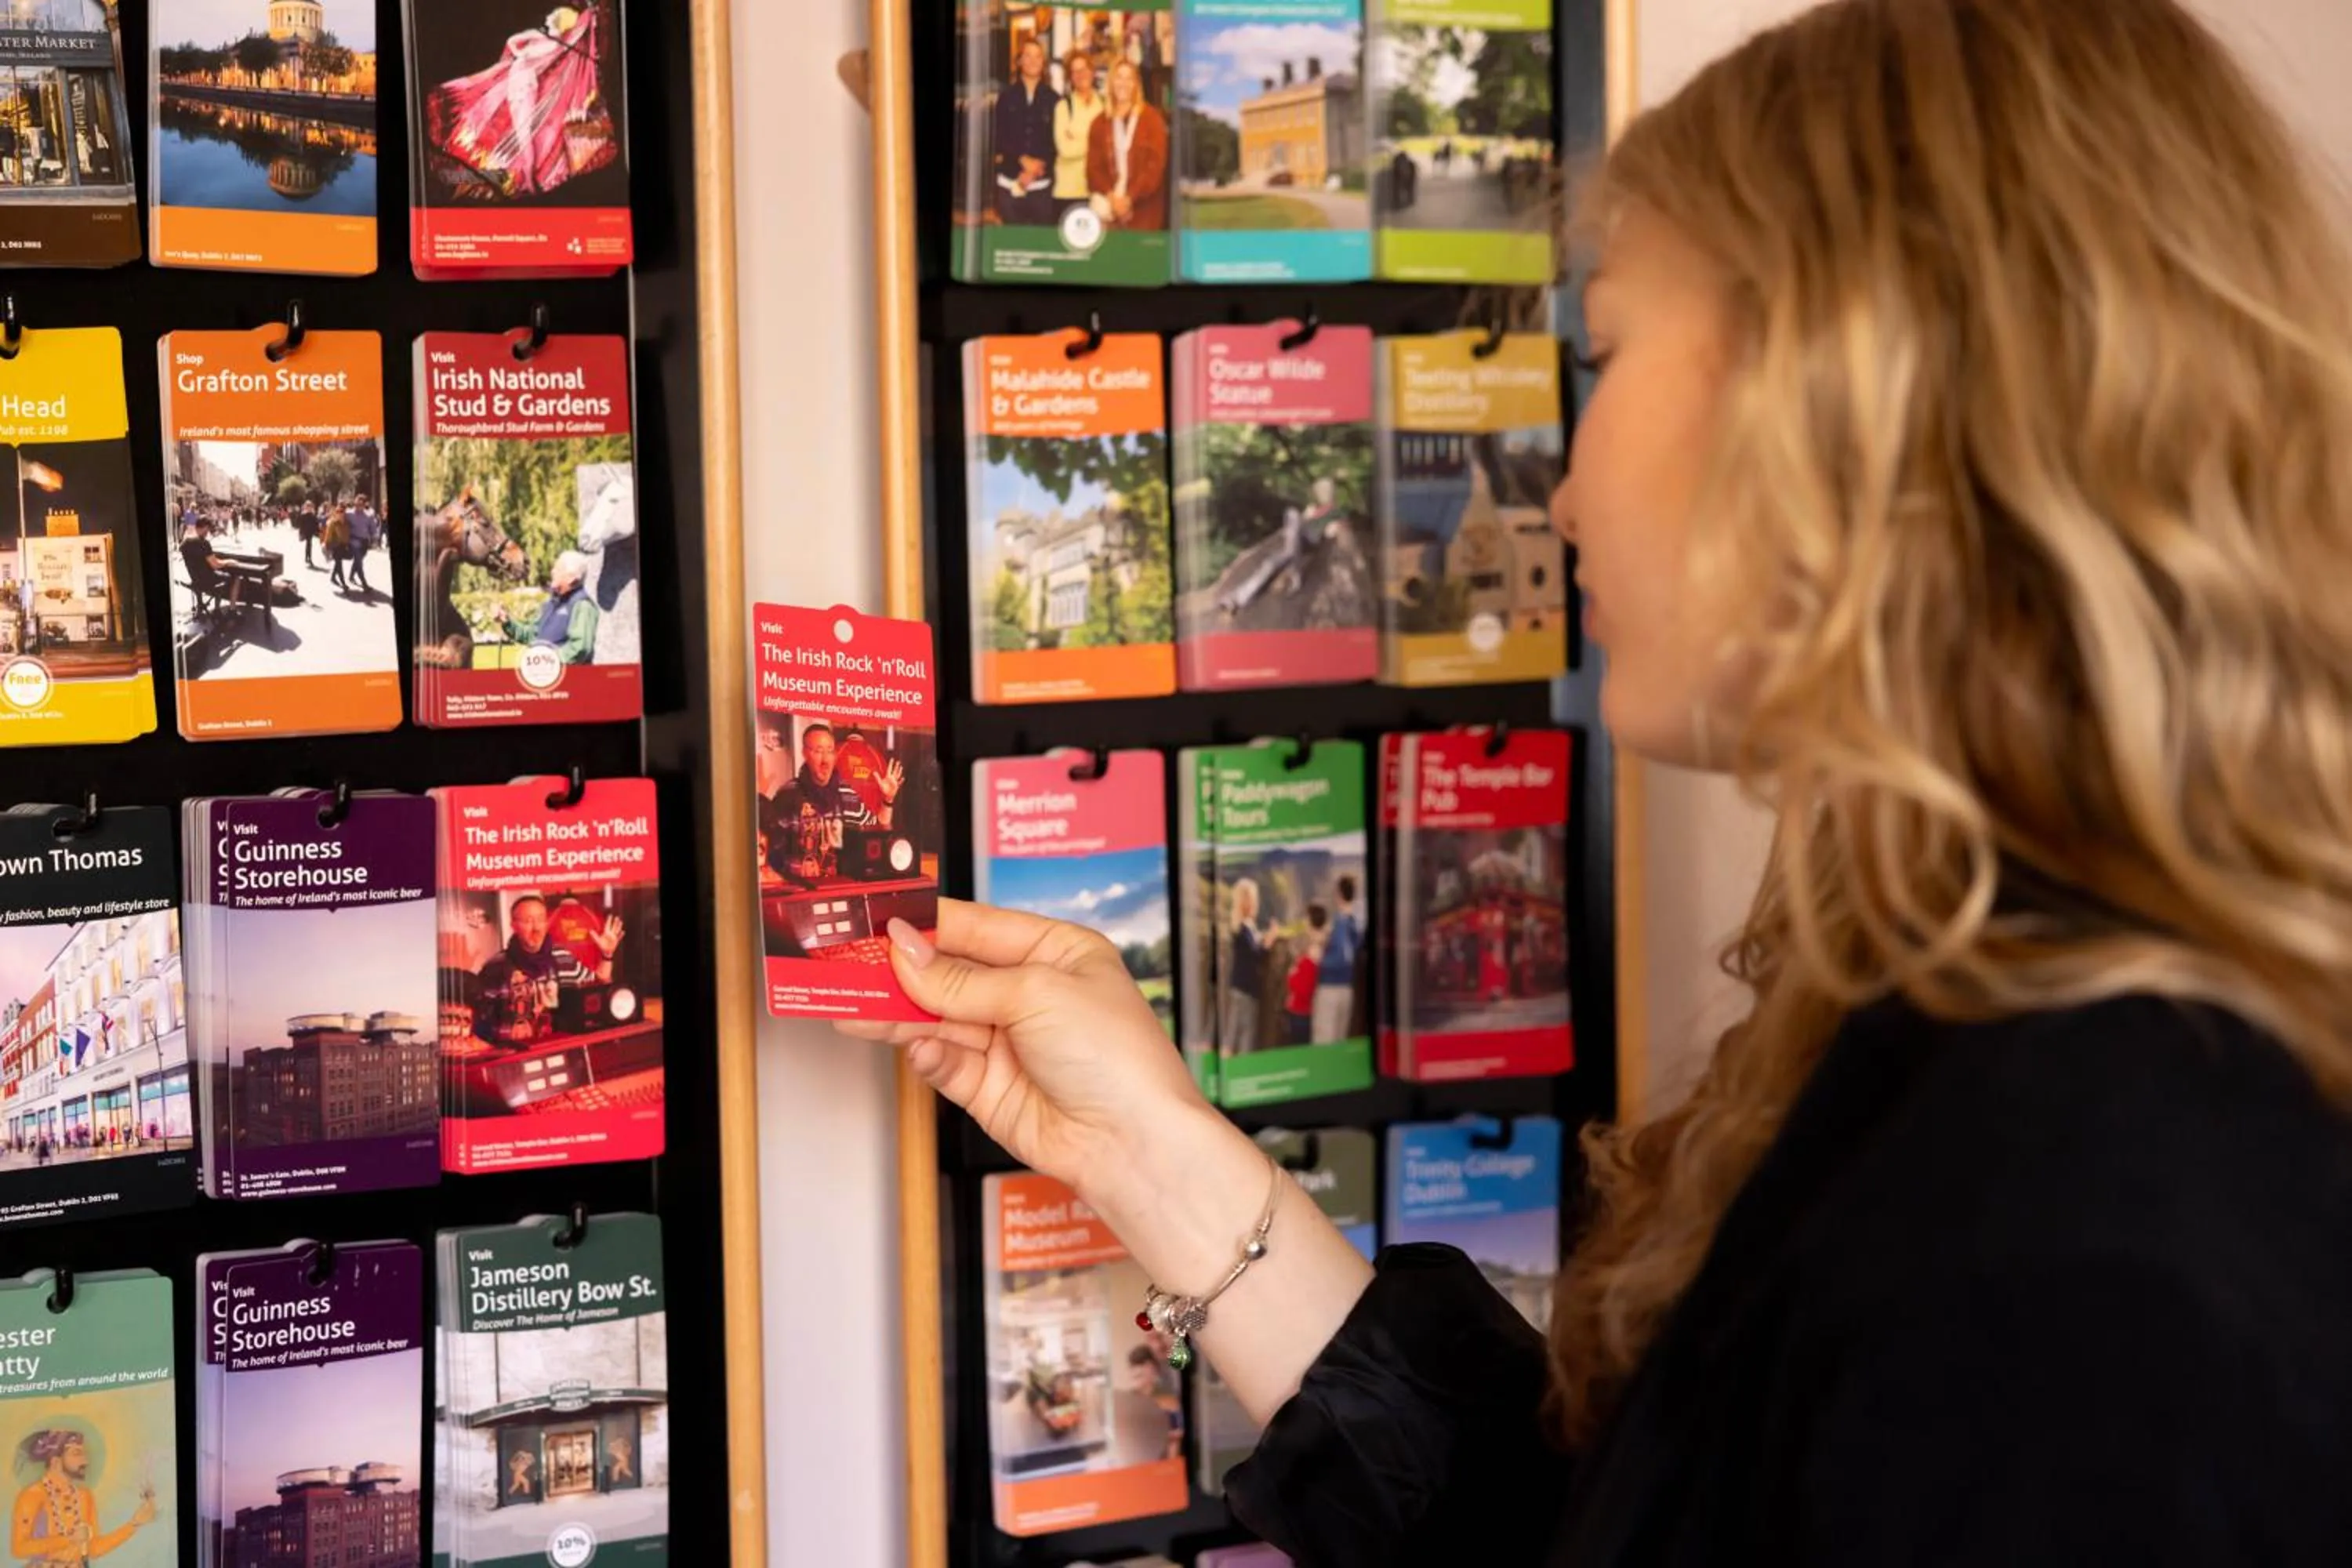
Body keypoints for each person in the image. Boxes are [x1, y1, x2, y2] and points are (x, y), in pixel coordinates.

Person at [843, 1, 2352, 1560]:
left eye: (1614, 349)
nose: (1560, 489)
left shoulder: (2088, 1240)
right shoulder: (2008, 1052)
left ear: (1850, 400)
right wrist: (1154, 1148)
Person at [760, 720, 905, 883]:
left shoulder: (847, 795)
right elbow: (769, 854)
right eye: (818, 751)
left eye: (830, 751)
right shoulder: (788, 795)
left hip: (838, 890)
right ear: (805, 753)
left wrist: (888, 799)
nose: (825, 760)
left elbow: (879, 832)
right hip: (799, 893)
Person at [11, 1428, 156, 1565]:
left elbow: (94, 1549)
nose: (85, 1461)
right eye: (76, 1453)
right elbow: (19, 1549)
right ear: (55, 1462)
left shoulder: (85, 1496)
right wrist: (68, 1540)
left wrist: (134, 1524)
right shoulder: (32, 1495)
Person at [1085, 59, 1166, 231]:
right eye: (1119, 77)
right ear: (1111, 82)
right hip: (1109, 210)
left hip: (1144, 211)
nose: (1124, 83)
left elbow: (1154, 168)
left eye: (1129, 78)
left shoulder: (1152, 120)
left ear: (1137, 84)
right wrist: (1113, 198)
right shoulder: (1099, 123)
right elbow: (1093, 170)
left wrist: (1129, 199)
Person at [990, 37, 1057, 226]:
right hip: (1009, 183)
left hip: (1041, 187)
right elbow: (998, 136)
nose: (1033, 61)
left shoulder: (1054, 99)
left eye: (1038, 56)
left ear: (1043, 62)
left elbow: (1055, 142)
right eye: (1028, 56)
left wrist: (1034, 171)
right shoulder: (1006, 96)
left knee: (1039, 245)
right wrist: (1022, 159)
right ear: (1019, 61)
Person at [494, 550, 600, 663]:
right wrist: (507, 623)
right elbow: (533, 635)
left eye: (558, 569)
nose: (552, 571)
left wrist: (549, 660)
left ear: (571, 578)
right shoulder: (551, 603)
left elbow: (580, 648)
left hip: (569, 678)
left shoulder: (582, 605)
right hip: (546, 676)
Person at [1051, 51, 1103, 214]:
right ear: (1070, 77)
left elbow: (1110, 147)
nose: (1081, 75)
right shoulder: (1064, 107)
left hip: (1098, 190)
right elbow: (1065, 150)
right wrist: (1096, 143)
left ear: (1092, 72)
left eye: (1085, 69)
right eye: (1075, 71)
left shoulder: (1105, 104)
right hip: (1068, 191)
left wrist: (1077, 139)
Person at [1310, 875, 1361, 1042]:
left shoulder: (1340, 922)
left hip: (1330, 990)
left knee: (1324, 1042)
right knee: (1339, 1044)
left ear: (1339, 894)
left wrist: (1319, 961)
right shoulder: (1354, 923)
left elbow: (1342, 958)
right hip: (1347, 989)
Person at [1218, 877, 1264, 1058]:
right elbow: (1255, 955)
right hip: (1245, 989)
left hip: (1241, 987)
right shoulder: (1243, 927)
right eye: (1252, 898)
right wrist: (1268, 942)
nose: (1255, 902)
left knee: (1234, 1034)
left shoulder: (1244, 926)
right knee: (1245, 1035)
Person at [1281, 906, 1325, 1046]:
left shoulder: (1314, 951)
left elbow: (1305, 988)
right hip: (1301, 1010)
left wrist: (1292, 975)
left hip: (1301, 1012)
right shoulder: (1314, 946)